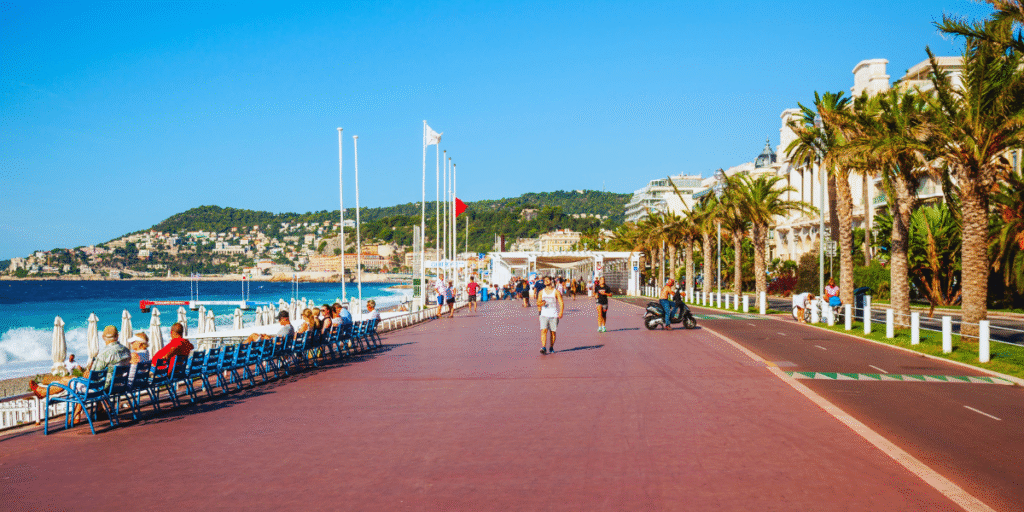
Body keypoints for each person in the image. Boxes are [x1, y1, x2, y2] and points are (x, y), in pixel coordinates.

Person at [30, 326, 131, 423]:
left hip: (103, 388)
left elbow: (93, 375)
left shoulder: (104, 354)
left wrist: (88, 373)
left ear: (103, 337)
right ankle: (94, 412)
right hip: (119, 386)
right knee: (74, 379)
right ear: (117, 336)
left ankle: (43, 392)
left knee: (67, 380)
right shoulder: (126, 350)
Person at [537, 276, 564, 354]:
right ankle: (543, 347)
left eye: (547, 280)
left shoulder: (556, 292)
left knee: (552, 332)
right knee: (543, 330)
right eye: (544, 280)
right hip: (544, 314)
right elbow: (538, 302)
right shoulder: (541, 292)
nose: (546, 281)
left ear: (551, 281)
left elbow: (561, 302)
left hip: (553, 314)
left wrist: (561, 312)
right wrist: (541, 304)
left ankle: (551, 347)